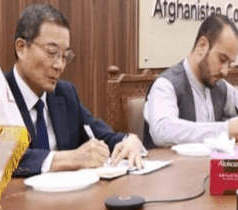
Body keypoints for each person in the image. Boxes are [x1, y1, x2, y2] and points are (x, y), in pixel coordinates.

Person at [8, 4, 143, 177]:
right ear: (21, 48)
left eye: (65, 56)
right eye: (51, 52)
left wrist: (129, 140)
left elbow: (100, 135)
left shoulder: (65, 93)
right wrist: (69, 159)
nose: (59, 65)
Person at [143, 14, 238, 148]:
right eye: (222, 59)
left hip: (214, 161)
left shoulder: (221, 86)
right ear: (202, 46)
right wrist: (224, 130)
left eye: (229, 63)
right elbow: (162, 130)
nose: (225, 71)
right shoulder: (166, 84)